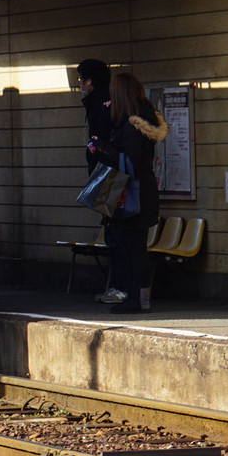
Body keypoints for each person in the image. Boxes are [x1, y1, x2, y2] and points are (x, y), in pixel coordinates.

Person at [102, 71, 168, 314]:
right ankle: (143, 299)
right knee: (138, 247)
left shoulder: (130, 125)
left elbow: (130, 161)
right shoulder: (144, 120)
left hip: (132, 193)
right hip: (145, 190)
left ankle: (136, 300)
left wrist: (104, 151)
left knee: (133, 248)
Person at [75, 58, 125, 303]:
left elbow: (104, 140)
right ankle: (119, 286)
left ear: (90, 80)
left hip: (109, 175)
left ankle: (120, 287)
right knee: (114, 232)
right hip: (110, 173)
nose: (81, 85)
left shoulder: (102, 104)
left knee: (116, 232)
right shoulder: (107, 101)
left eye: (81, 79)